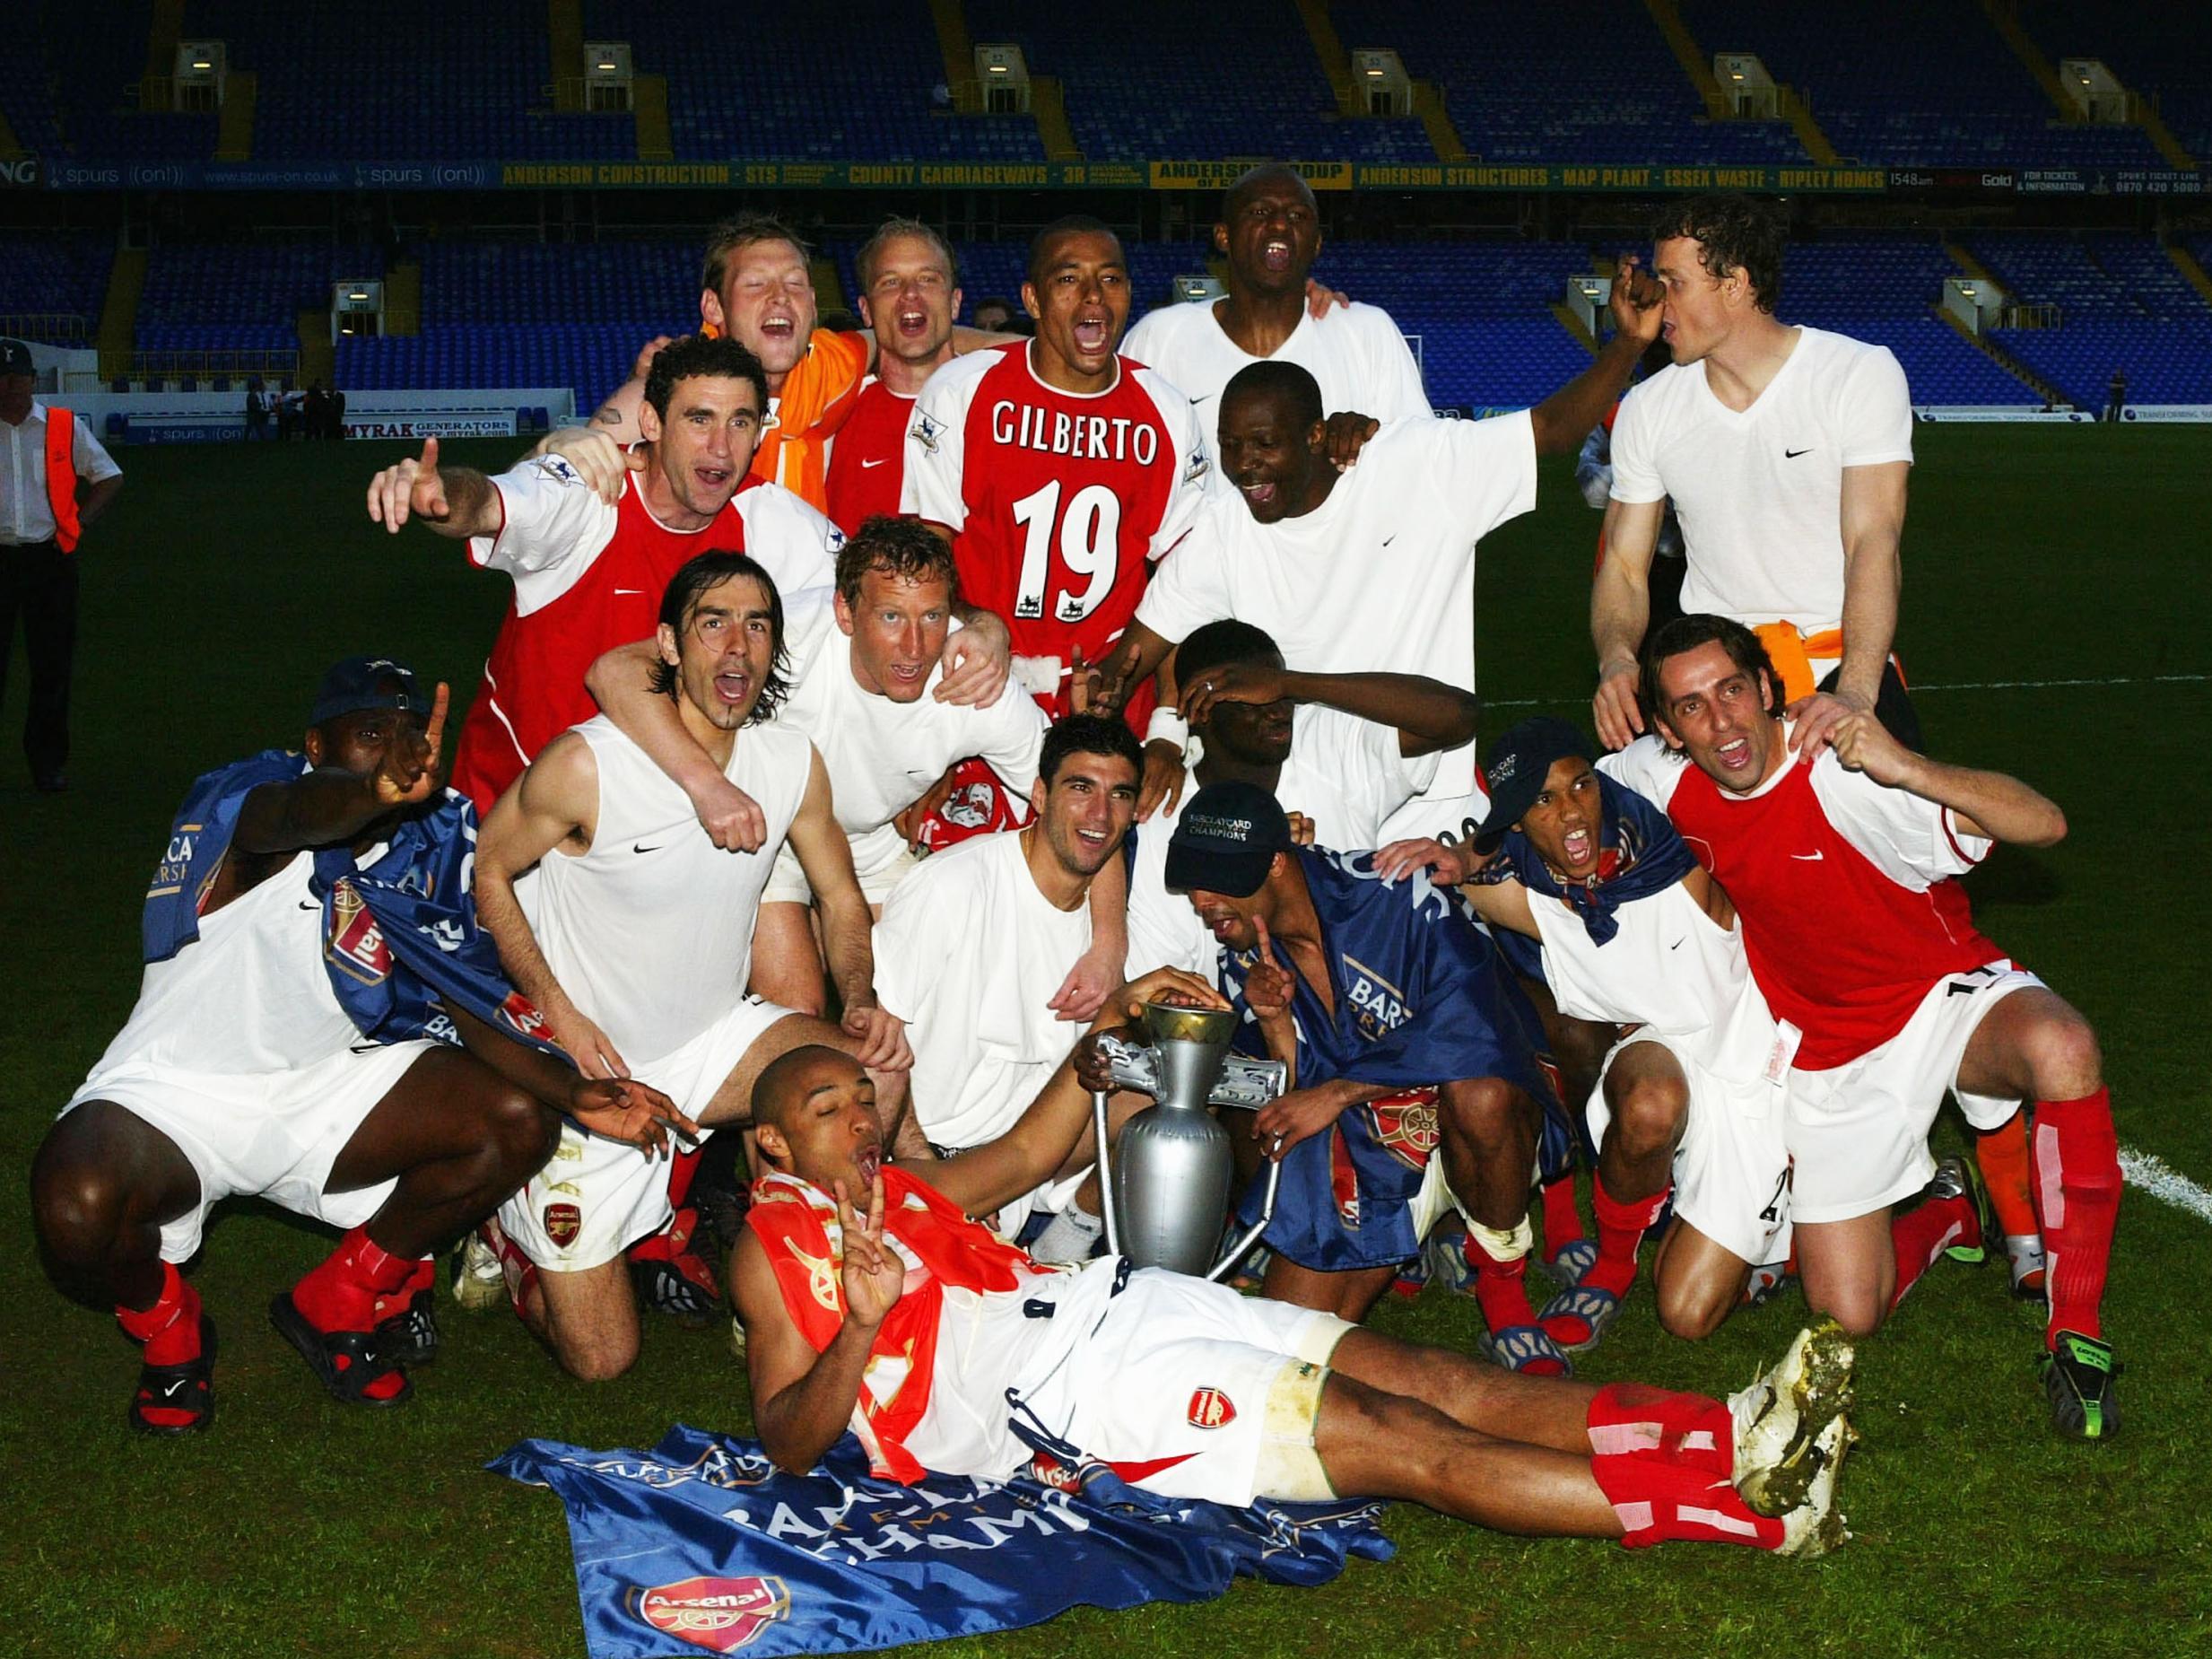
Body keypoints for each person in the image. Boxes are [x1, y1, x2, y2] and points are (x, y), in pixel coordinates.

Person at [732, 1028, 1859, 1559]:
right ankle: (1753, 1511)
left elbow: (1027, 1156)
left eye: (865, 1099)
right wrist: (867, 1325)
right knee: (1398, 1438)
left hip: (1124, 1301)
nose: (864, 1121)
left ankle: (1729, 1430)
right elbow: (788, 1437)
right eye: (832, 1109)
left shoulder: (907, 1189)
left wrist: (1103, 1031)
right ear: (777, 1139)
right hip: (1063, 1393)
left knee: (1430, 1374)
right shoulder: (772, 1244)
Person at [30, 656, 689, 1431]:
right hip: (176, 1094)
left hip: (324, 1088)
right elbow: (294, 817)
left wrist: (576, 1092)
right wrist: (366, 793)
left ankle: (339, 1297)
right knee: (74, 1206)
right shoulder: (254, 798)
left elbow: (464, 997)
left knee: (516, 1117)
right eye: (371, 732)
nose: (395, 749)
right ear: (316, 744)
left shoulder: (435, 845)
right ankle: (169, 1326)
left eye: (410, 732)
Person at [1618, 615, 2121, 1438]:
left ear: (1770, 689)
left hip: (1942, 999)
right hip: (1828, 1054)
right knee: (1848, 1313)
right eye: (1692, 707)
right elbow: (1564, 797)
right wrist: (1461, 854)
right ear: (1668, 730)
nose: (1723, 722)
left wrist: (1906, 762)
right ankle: (1954, 1212)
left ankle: (2077, 1332)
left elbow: (2045, 822)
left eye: (1734, 690)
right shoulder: (1660, 779)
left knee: (2062, 1047)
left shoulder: (1844, 770)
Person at [472, 553, 911, 1382]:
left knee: (872, 1075)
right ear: (669, 645)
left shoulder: (788, 761)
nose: (737, 646)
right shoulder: (588, 764)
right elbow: (488, 867)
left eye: (758, 625)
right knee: (601, 1359)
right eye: (714, 622)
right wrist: (560, 1015)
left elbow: (842, 900)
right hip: (592, 1068)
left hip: (715, 1040)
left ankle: (803, 1277)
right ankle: (505, 1226)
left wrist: (858, 1001)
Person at [1093, 259, 1661, 844]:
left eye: (1264, 444)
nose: (1242, 464)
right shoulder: (1225, 525)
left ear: (1315, 436)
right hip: (1301, 792)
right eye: (1230, 446)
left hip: (1428, 792)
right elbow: (1143, 641)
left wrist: (1629, 345)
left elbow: (1551, 430)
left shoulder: (1416, 465)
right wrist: (1108, 681)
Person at [1377, 717, 1797, 1351]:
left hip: (1757, 1081)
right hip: (1668, 1056)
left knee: (1692, 1311)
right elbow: (1468, 869)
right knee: (1647, 1097)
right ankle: (1613, 1265)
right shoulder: (1538, 901)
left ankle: (1934, 1213)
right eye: (1544, 801)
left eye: (1581, 786)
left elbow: (1644, 813)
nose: (1573, 813)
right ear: (1516, 823)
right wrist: (1461, 858)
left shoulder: (1670, 854)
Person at [585, 514, 1075, 1016]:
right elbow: (615, 670)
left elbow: (1079, 797)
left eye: (931, 617)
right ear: (845, 612)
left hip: (869, 843)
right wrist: (708, 786)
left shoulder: (972, 678)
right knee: (799, 1018)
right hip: (763, 833)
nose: (913, 646)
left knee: (920, 1009)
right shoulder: (790, 635)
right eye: (889, 617)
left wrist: (1109, 948)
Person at [364, 334, 858, 821]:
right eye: (699, 419)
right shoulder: (588, 492)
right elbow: (489, 502)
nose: (721, 448)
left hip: (647, 825)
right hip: (512, 818)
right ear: (652, 421)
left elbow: (874, 585)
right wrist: (440, 494)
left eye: (740, 422)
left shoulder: (769, 518)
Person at [1164, 782, 1576, 1358]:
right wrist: (1275, 1019)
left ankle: (1502, 1285)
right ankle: (1418, 1233)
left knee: (1481, 1095)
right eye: (1193, 882)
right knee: (1285, 1347)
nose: (1203, 902)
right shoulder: (1242, 954)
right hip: (1371, 1142)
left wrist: (1337, 1092)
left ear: (1278, 865)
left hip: (1483, 1117)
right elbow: (1288, 1098)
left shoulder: (1392, 888)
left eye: (1219, 881)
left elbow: (1477, 1024)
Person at [1592, 195, 1920, 763]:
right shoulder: (1648, 407)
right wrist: (1618, 657)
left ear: (1736, 283)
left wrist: (1858, 694)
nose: (1656, 299)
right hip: (1713, 687)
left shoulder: (1855, 374)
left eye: (1675, 282)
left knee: (1893, 847)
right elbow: (1623, 563)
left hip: (1838, 665)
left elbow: (1874, 541)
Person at [903, 215, 1214, 733]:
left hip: (1108, 699)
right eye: (1069, 279)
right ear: (1033, 299)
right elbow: (925, 553)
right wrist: (976, 626)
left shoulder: (1168, 412)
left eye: (1110, 279)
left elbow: (1184, 583)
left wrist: (1166, 723)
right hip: (975, 687)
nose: (1094, 295)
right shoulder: (961, 392)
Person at [867, 714, 1145, 1263]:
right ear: (1039, 794)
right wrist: (926, 1162)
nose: (1099, 814)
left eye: (1119, 796)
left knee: (1171, 1097)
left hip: (1031, 1155)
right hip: (933, 1156)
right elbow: (881, 1054)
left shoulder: (1106, 924)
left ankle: (1065, 1241)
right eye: (1080, 788)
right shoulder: (951, 887)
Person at [572, 214, 1016, 512]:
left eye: (794, 283)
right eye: (756, 284)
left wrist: (1039, 354)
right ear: (714, 308)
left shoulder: (832, 367)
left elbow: (904, 332)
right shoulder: (678, 389)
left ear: (813, 305)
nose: (779, 297)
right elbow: (568, 468)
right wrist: (563, 447)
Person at [1124, 616, 1474, 984]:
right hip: (1248, 1024)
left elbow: (1458, 717)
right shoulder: (1167, 814)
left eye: (1280, 695)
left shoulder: (1327, 744)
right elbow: (1161, 984)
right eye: (1252, 701)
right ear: (1199, 711)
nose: (1277, 711)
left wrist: (1295, 683)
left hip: (1377, 994)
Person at [1121, 163, 1430, 451]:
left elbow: (1421, 457)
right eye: (1259, 212)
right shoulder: (1159, 339)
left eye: (1297, 216)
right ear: (1223, 236)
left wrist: (1372, 442)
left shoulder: (1368, 333)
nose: (1280, 224)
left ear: (1317, 242)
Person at [0, 336, 123, 792]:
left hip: (49, 560)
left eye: (17, 377)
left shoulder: (62, 426)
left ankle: (47, 764)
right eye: (2, 378)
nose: (10, 387)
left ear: (33, 380)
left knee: (51, 668)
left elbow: (109, 477)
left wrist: (78, 522)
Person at [823, 219, 964, 537]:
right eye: (890, 282)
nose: (910, 295)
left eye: (927, 279)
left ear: (954, 302)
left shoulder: (1000, 406)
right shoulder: (831, 413)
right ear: (866, 310)